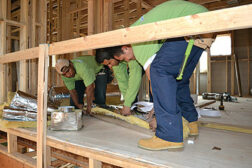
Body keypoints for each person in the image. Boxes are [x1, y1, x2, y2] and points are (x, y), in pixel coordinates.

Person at [100, 0, 214, 150]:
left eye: (123, 58)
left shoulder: (138, 43)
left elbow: (155, 81)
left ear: (125, 48)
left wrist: (157, 116)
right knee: (178, 80)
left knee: (159, 71)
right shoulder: (140, 33)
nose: (127, 61)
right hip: (204, 29)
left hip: (191, 23)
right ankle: (192, 123)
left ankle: (168, 135)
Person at [95, 48, 142, 115]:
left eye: (109, 63)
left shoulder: (130, 55)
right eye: (107, 65)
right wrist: (127, 104)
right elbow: (123, 83)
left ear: (114, 56)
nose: (110, 66)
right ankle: (133, 109)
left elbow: (134, 80)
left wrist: (127, 105)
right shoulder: (115, 64)